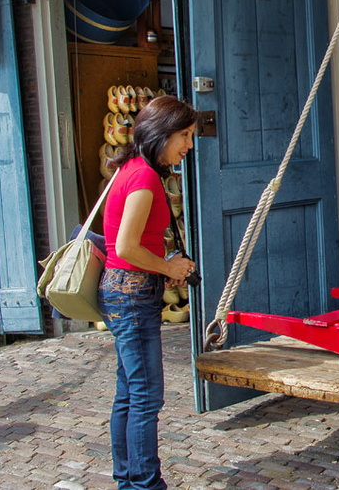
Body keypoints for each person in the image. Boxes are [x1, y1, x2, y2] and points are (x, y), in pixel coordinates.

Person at [100, 95, 199, 490]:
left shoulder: (133, 169)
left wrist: (163, 268)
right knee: (145, 398)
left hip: (126, 293)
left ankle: (128, 480)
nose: (189, 145)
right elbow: (125, 247)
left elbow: (133, 243)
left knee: (129, 393)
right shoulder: (142, 177)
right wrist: (168, 267)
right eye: (185, 135)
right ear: (162, 134)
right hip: (132, 298)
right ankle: (144, 484)